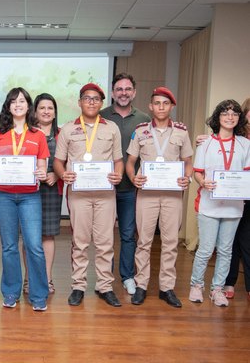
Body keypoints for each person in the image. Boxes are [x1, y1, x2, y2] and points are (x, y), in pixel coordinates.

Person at [54, 83, 124, 307]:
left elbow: (118, 161)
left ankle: (105, 286)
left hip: (105, 194)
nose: (91, 102)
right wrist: (63, 174)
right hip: (79, 195)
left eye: (96, 98)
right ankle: (78, 286)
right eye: (87, 98)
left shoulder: (111, 128)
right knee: (80, 241)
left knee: (105, 242)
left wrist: (118, 175)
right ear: (79, 102)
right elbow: (58, 161)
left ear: (101, 103)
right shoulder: (67, 129)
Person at [126, 87, 193, 308]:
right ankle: (142, 285)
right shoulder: (141, 130)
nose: (161, 107)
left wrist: (187, 178)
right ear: (150, 106)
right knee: (144, 241)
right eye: (157, 103)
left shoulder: (181, 132)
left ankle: (166, 288)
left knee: (170, 242)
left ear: (171, 106)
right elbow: (130, 161)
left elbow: (189, 163)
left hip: (173, 195)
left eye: (165, 103)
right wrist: (133, 177)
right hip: (147, 195)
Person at [0, 87, 49, 311]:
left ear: (28, 105)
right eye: (14, 101)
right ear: (8, 106)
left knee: (34, 246)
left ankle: (38, 294)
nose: (18, 104)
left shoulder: (38, 134)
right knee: (9, 246)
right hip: (3, 195)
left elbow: (42, 168)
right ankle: (11, 292)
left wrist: (41, 174)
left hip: (30, 196)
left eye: (22, 101)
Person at [189, 99, 250, 307]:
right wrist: (203, 182)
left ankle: (217, 289)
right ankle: (196, 286)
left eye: (234, 114)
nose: (230, 117)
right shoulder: (205, 143)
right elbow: (197, 172)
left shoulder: (245, 144)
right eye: (225, 113)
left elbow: (247, 174)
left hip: (234, 207)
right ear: (218, 118)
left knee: (226, 250)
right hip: (209, 205)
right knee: (206, 249)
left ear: (239, 118)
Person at [100, 73, 150, 295]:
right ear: (112, 93)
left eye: (127, 89)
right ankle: (105, 278)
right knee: (105, 236)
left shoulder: (144, 119)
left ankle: (128, 276)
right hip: (103, 187)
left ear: (134, 92)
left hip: (131, 188)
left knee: (128, 234)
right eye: (119, 89)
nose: (123, 93)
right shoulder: (100, 116)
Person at [22, 93, 64, 294]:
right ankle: (29, 279)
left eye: (50, 108)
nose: (46, 111)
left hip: (51, 191)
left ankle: (46, 279)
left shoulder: (62, 134)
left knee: (47, 235)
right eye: (42, 108)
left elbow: (70, 160)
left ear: (55, 112)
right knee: (29, 237)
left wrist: (57, 174)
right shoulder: (26, 133)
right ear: (34, 111)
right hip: (28, 190)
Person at [224, 97, 250, 301]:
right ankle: (229, 282)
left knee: (247, 242)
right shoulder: (237, 136)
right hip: (235, 195)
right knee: (231, 241)